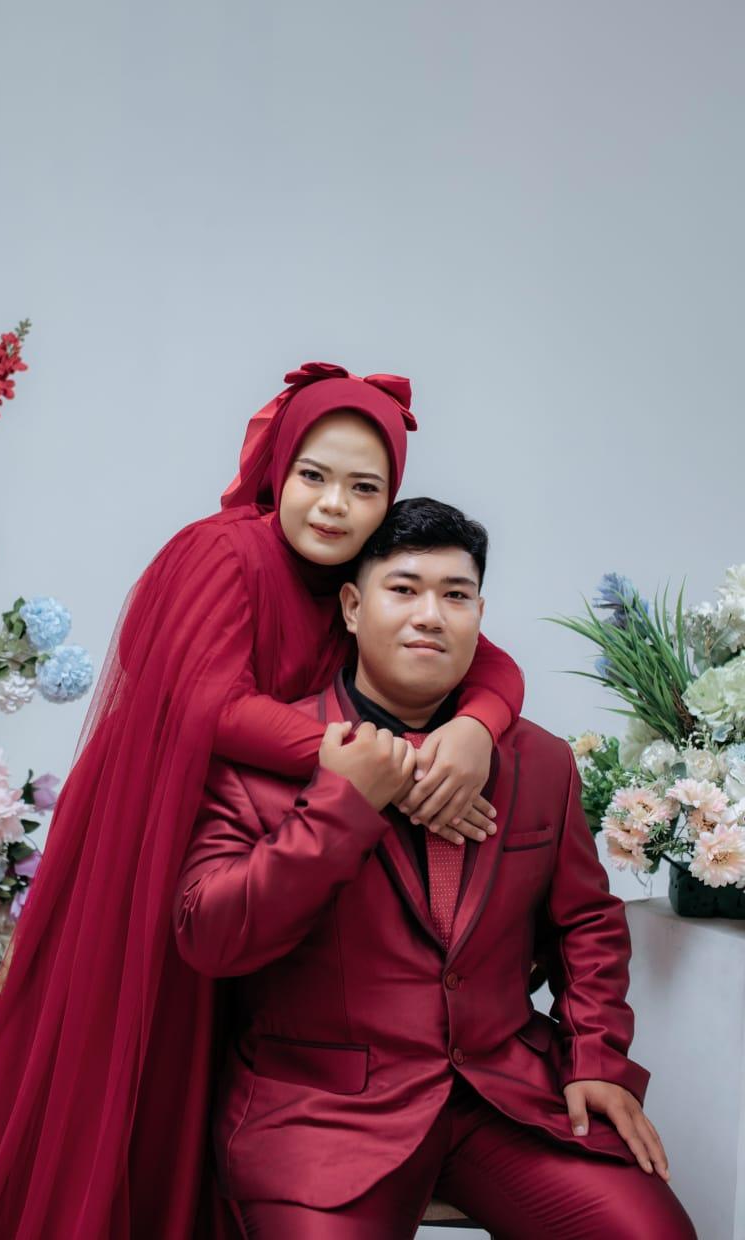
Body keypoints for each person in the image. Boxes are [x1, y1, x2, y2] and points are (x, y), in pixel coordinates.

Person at [0, 365, 523, 1240]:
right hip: (156, 849)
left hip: (267, 853)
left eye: (364, 487)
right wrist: (374, 763)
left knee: (223, 1088)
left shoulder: (362, 580)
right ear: (277, 468)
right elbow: (211, 708)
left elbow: (492, 662)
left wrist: (477, 730)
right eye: (313, 475)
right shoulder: (222, 553)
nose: (334, 506)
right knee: (128, 1084)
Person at [174, 498, 697, 1240]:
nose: (431, 615)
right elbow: (210, 936)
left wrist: (596, 1059)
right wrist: (343, 804)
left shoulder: (539, 760)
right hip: (323, 1116)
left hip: (504, 1100)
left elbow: (586, 923)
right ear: (352, 607)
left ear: (479, 614)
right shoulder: (261, 761)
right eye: (404, 589)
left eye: (455, 595)